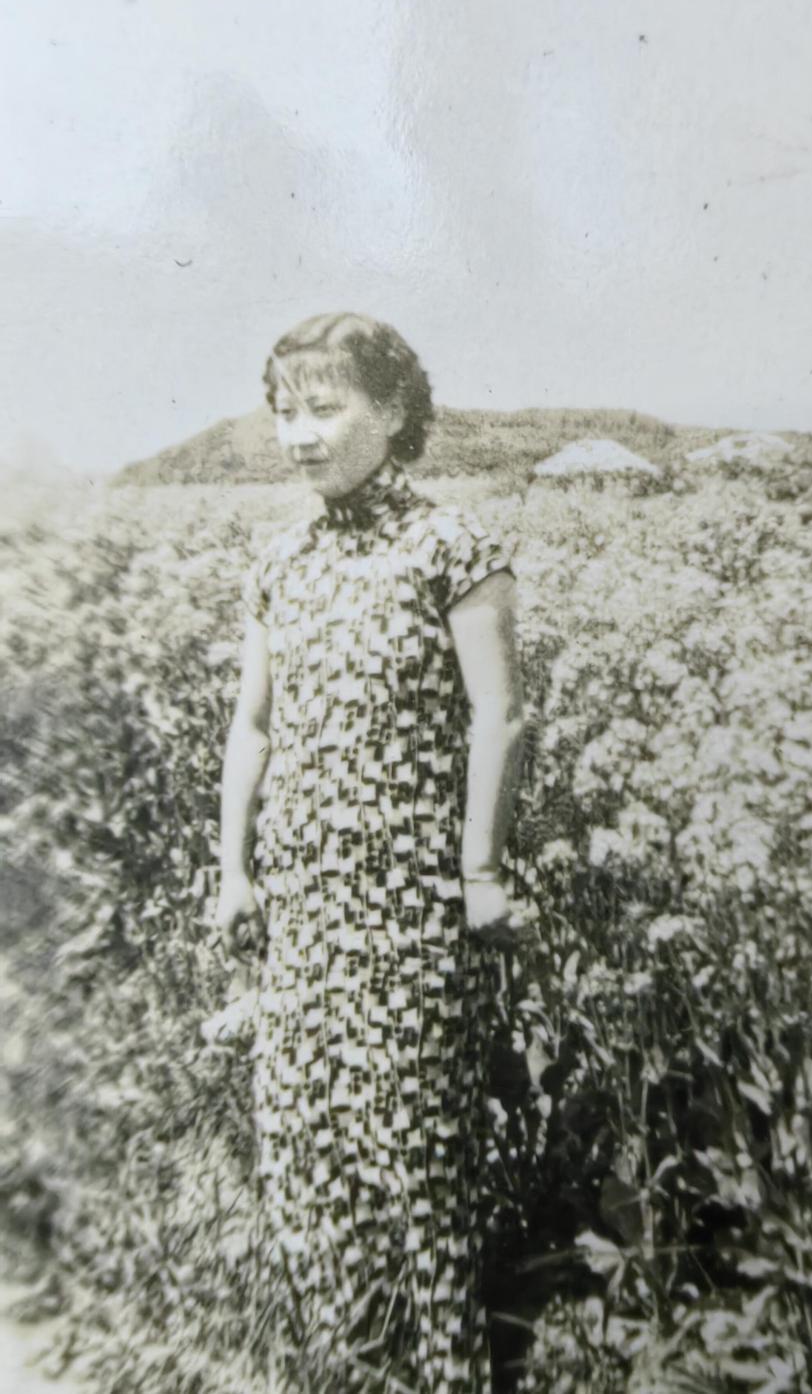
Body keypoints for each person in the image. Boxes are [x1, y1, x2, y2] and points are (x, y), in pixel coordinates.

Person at [215, 311, 524, 1392]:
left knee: (416, 1152)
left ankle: (447, 1369)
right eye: (284, 411)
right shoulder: (280, 558)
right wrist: (234, 869)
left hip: (411, 901)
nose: (299, 433)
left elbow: (499, 717)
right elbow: (253, 726)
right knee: (304, 1143)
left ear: (392, 411)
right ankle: (348, 1362)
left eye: (324, 406)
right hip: (302, 902)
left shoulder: (454, 548)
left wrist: (480, 872)